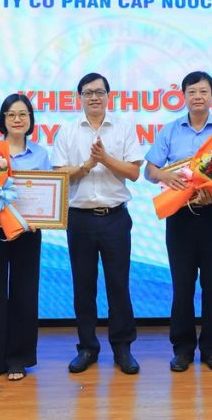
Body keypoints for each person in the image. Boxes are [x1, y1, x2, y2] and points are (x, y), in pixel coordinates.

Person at [53, 73, 144, 375]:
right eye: (88, 92)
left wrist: (104, 158)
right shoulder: (67, 131)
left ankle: (122, 347)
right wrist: (85, 166)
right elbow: (59, 175)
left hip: (115, 217)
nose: (94, 97)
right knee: (83, 286)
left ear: (108, 95)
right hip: (79, 219)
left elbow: (134, 172)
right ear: (79, 97)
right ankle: (87, 348)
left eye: (99, 92)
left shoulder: (123, 128)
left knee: (118, 285)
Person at [144, 71, 212, 373]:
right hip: (180, 216)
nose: (198, 96)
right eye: (192, 91)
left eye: (203, 91)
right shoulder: (170, 131)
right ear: (183, 96)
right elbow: (149, 170)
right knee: (182, 285)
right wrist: (164, 174)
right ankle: (182, 349)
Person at [0, 94, 51, 381]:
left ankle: (19, 358)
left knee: (25, 292)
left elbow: (48, 193)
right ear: (2, 119)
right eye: (11, 114)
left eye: (23, 114)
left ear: (30, 119)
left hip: (29, 230)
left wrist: (43, 217)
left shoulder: (41, 154)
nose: (17, 119)